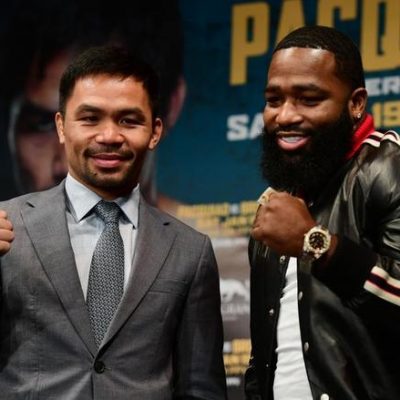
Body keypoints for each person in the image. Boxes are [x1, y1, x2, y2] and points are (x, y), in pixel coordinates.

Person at [0, 45, 226, 399]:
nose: (109, 136)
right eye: (90, 118)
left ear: (155, 131)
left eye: (128, 120)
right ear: (61, 126)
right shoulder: (7, 226)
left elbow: (201, 387)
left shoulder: (190, 251)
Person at [245, 25, 400, 400]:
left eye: (309, 99)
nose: (285, 116)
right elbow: (264, 355)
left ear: (355, 103)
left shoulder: (387, 168)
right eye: (273, 100)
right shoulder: (277, 203)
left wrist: (317, 245)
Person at [0, 0, 186, 211]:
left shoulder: (196, 232)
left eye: (123, 120)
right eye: (42, 125)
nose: (68, 166)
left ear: (170, 108)